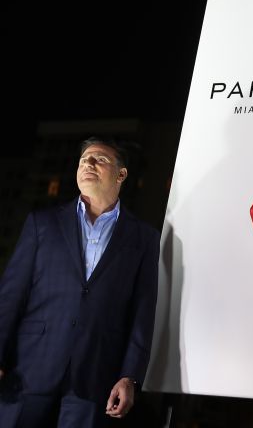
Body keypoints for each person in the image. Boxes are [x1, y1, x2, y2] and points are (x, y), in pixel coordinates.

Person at [0, 137, 160, 428]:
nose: (88, 164)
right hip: (28, 372)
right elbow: (10, 297)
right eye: (84, 160)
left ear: (121, 174)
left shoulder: (144, 239)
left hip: (95, 379)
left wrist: (130, 377)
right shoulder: (42, 223)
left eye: (99, 159)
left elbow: (142, 313)